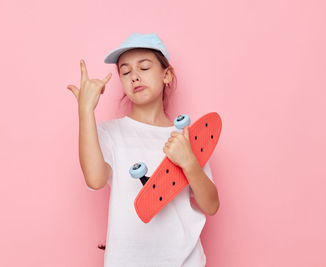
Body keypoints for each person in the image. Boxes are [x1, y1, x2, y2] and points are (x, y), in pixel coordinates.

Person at [67, 32, 220, 267]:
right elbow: (95, 180)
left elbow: (211, 205)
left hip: (185, 261)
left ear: (166, 75)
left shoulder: (186, 135)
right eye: (126, 72)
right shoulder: (111, 133)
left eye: (144, 68)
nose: (135, 77)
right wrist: (85, 110)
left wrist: (189, 162)